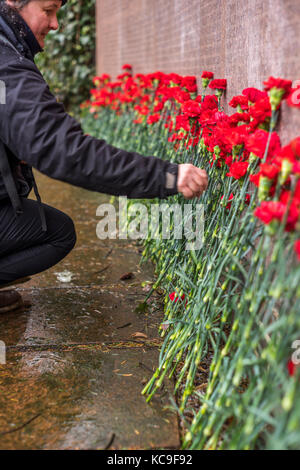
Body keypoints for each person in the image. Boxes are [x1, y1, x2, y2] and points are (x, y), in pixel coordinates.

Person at [0, 0, 208, 313]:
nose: (55, 24)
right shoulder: (6, 64)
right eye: (48, 10)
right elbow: (65, 151)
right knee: (57, 233)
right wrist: (166, 176)